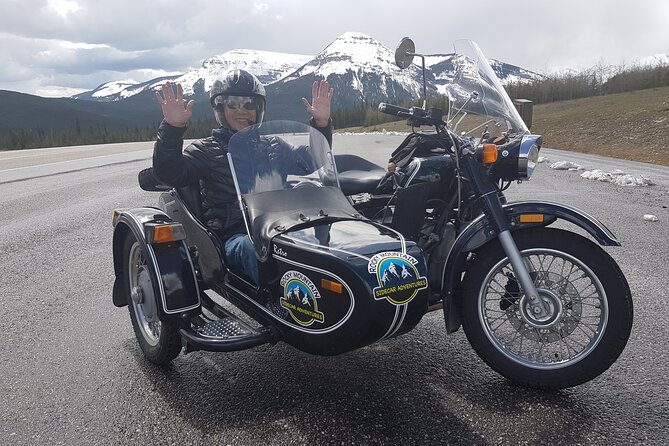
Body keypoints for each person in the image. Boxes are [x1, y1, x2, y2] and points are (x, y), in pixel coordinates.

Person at [152, 69, 334, 285]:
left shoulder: (274, 145)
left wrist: (321, 124)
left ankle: (329, 274)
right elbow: (169, 172)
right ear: (220, 108)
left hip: (279, 224)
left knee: (313, 193)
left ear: (259, 110)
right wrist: (172, 128)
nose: (243, 111)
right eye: (233, 104)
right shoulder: (205, 150)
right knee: (251, 246)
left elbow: (313, 160)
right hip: (234, 235)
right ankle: (275, 302)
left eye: (249, 105)